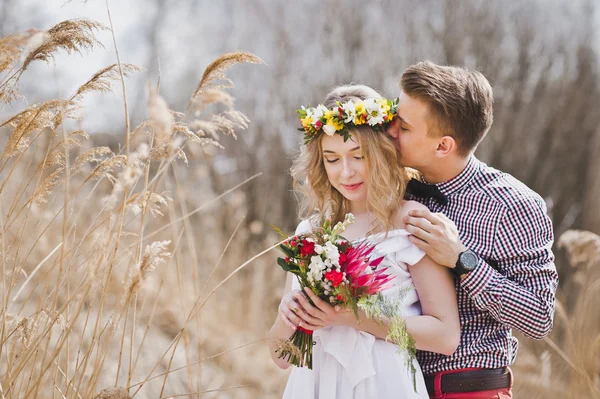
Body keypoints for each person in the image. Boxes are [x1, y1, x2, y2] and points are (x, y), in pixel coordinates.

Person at [268, 84, 460, 399]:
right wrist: (286, 314)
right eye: (332, 159)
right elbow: (281, 357)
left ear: (382, 152)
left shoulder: (411, 221)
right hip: (314, 385)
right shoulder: (310, 231)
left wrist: (353, 318)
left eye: (358, 156)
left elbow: (445, 335)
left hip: (385, 384)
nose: (346, 172)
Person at [386, 61, 559, 398]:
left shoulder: (512, 205)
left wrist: (463, 260)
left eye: (403, 127)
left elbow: (539, 318)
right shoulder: (389, 193)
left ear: (443, 146)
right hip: (393, 385)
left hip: (468, 389)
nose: (390, 131)